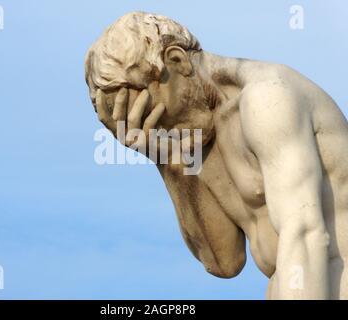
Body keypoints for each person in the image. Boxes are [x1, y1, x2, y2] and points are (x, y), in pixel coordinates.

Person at [85, 11, 348, 299]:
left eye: (153, 113)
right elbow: (223, 262)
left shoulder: (268, 99)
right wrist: (161, 155)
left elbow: (306, 235)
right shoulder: (199, 128)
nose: (157, 128)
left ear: (177, 61)